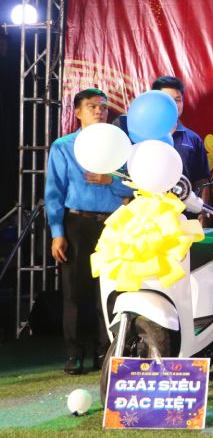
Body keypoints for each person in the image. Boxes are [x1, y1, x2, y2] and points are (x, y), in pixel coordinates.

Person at [46, 88, 132, 374]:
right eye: (92, 106)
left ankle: (105, 350)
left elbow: (133, 185)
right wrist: (57, 232)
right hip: (77, 224)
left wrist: (111, 181)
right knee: (74, 291)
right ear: (78, 112)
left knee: (109, 290)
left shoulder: (120, 144)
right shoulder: (63, 146)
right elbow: (54, 192)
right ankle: (74, 353)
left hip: (113, 223)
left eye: (103, 107)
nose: (99, 111)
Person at [114, 76, 211, 188]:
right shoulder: (135, 133)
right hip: (140, 197)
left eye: (177, 100)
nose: (173, 105)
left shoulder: (193, 139)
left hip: (182, 198)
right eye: (167, 100)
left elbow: (201, 179)